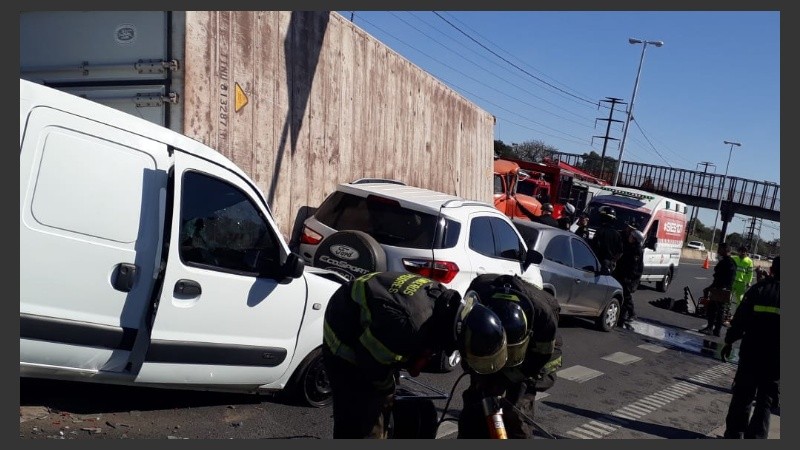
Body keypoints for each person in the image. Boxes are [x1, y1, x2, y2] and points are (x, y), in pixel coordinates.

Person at [322, 271, 508, 439]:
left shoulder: (445, 302)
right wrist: (387, 391)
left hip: (377, 313)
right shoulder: (410, 325)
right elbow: (372, 363)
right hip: (345, 323)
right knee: (361, 411)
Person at [457, 274, 560, 439]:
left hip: (533, 357)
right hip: (488, 339)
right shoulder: (477, 299)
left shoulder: (544, 317)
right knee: (476, 404)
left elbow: (539, 360)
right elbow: (464, 343)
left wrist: (507, 380)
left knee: (516, 411)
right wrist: (479, 374)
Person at [720, 256, 780, 439]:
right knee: (765, 401)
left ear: (772, 270)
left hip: (751, 353)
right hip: (776, 359)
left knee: (743, 396)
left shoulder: (757, 290)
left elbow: (739, 321)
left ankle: (734, 434)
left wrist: (729, 342)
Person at [699, 242, 737, 337]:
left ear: (725, 250)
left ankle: (712, 329)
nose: (718, 251)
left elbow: (726, 278)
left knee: (716, 309)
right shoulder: (726, 261)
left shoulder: (729, 263)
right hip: (720, 288)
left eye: (720, 249)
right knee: (716, 309)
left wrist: (719, 288)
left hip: (721, 289)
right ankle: (715, 330)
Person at [613, 225, 645, 327]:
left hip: (630, 278)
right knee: (623, 294)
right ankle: (622, 316)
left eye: (631, 236)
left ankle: (632, 313)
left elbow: (634, 267)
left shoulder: (637, 250)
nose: (629, 237)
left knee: (626, 295)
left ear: (635, 239)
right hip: (623, 274)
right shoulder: (629, 246)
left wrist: (629, 278)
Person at [589, 206, 623, 275]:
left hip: (598, 263)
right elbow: (620, 252)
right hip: (609, 266)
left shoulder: (600, 231)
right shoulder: (617, 234)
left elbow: (594, 247)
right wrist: (613, 261)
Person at [728, 245, 754, 324]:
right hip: (732, 281)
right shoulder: (734, 258)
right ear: (738, 251)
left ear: (746, 252)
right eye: (741, 251)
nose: (742, 253)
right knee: (728, 297)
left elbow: (750, 273)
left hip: (742, 283)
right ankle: (727, 313)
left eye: (744, 251)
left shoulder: (749, 261)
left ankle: (736, 315)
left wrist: (749, 282)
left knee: (739, 300)